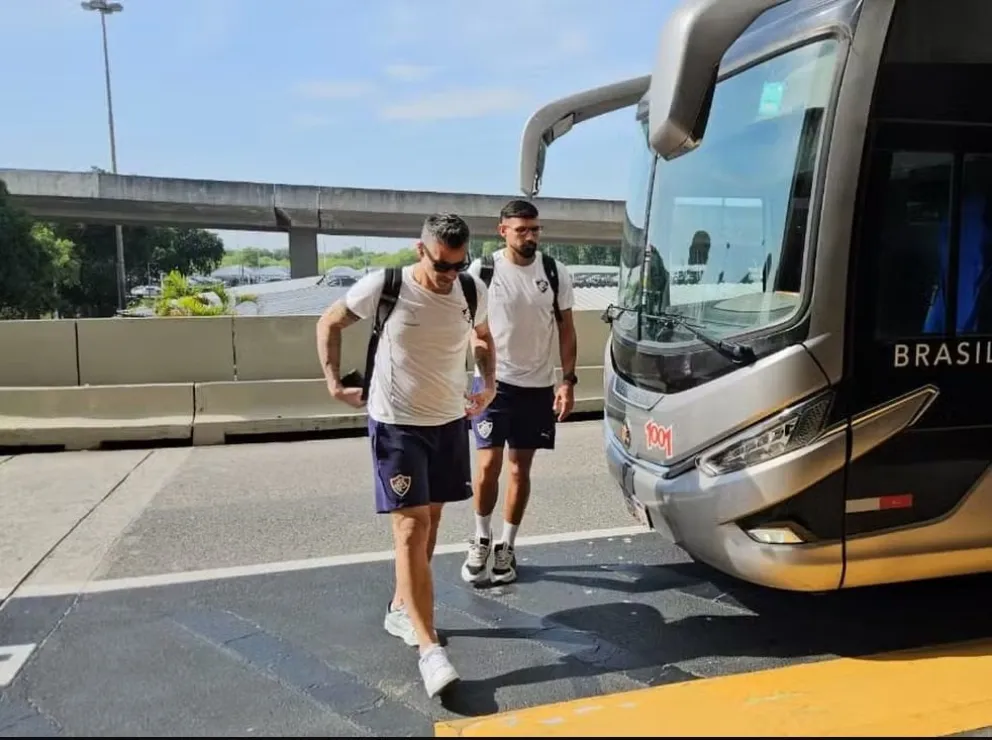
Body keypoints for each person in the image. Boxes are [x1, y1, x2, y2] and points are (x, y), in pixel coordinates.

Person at [315, 213, 496, 698]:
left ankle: (401, 607)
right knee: (411, 526)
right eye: (441, 265)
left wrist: (488, 380)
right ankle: (429, 648)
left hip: (448, 422)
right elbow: (329, 321)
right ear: (421, 250)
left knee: (432, 523)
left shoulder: (472, 289)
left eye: (458, 266)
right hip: (396, 424)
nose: (448, 275)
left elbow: (482, 337)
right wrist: (334, 383)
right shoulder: (385, 285)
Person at [461, 199, 577, 586]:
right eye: (521, 230)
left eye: (535, 229)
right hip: (494, 384)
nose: (530, 236)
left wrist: (567, 380)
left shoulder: (554, 272)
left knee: (518, 468)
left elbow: (566, 329)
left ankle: (507, 547)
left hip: (538, 387)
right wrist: (482, 379)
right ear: (503, 231)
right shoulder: (484, 271)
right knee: (488, 465)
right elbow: (472, 330)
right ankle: (480, 536)